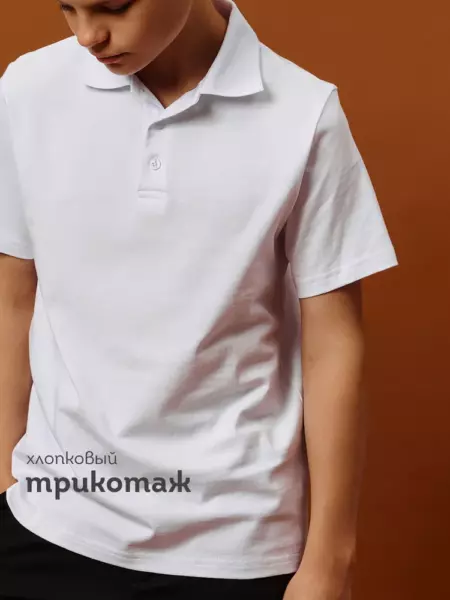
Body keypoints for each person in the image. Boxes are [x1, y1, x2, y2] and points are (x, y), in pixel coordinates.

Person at [0, 0, 398, 599]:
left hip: (232, 548)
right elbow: (14, 293)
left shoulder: (302, 114)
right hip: (48, 520)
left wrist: (330, 561)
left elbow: (333, 344)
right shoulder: (29, 89)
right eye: (68, 8)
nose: (87, 35)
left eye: (113, 7)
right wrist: (5, 477)